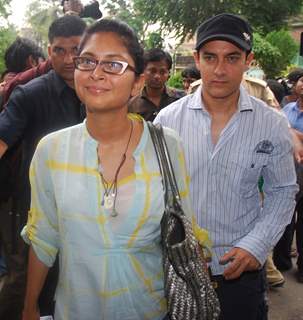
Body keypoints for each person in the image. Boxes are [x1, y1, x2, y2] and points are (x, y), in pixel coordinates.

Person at [20, 18, 207, 320]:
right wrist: (29, 308)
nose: (96, 73)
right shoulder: (51, 151)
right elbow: (43, 237)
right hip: (76, 309)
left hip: (151, 310)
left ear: (137, 82)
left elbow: (187, 229)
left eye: (113, 65)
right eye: (87, 61)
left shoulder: (167, 146)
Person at [154, 13, 297, 320]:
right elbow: (153, 192)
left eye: (232, 58)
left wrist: (256, 245)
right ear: (197, 59)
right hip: (179, 273)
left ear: (249, 60)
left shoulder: (271, 125)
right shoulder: (167, 121)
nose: (220, 70)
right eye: (210, 57)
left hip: (241, 275)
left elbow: (283, 191)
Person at [0, 15, 86, 319]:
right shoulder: (30, 94)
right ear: (48, 51)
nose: (67, 58)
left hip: (90, 211)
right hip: (37, 211)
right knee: (26, 284)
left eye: (76, 49)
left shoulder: (102, 91)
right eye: (58, 50)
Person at [273, 71, 303, 283]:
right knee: (284, 218)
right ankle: (282, 261)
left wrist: (291, 132)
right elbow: (278, 133)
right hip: (288, 171)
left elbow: (284, 131)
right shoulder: (286, 108)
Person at [128, 48, 184, 121]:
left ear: (168, 74)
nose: (157, 76)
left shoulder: (180, 99)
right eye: (152, 71)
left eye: (162, 72)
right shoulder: (132, 105)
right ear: (143, 72)